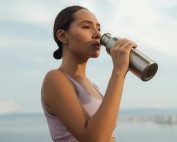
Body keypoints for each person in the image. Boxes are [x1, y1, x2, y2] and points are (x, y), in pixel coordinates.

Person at [41, 5, 137, 142]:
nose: (98, 34)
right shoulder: (55, 79)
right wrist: (118, 72)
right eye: (86, 27)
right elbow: (94, 138)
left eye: (98, 28)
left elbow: (108, 136)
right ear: (63, 36)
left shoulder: (93, 86)